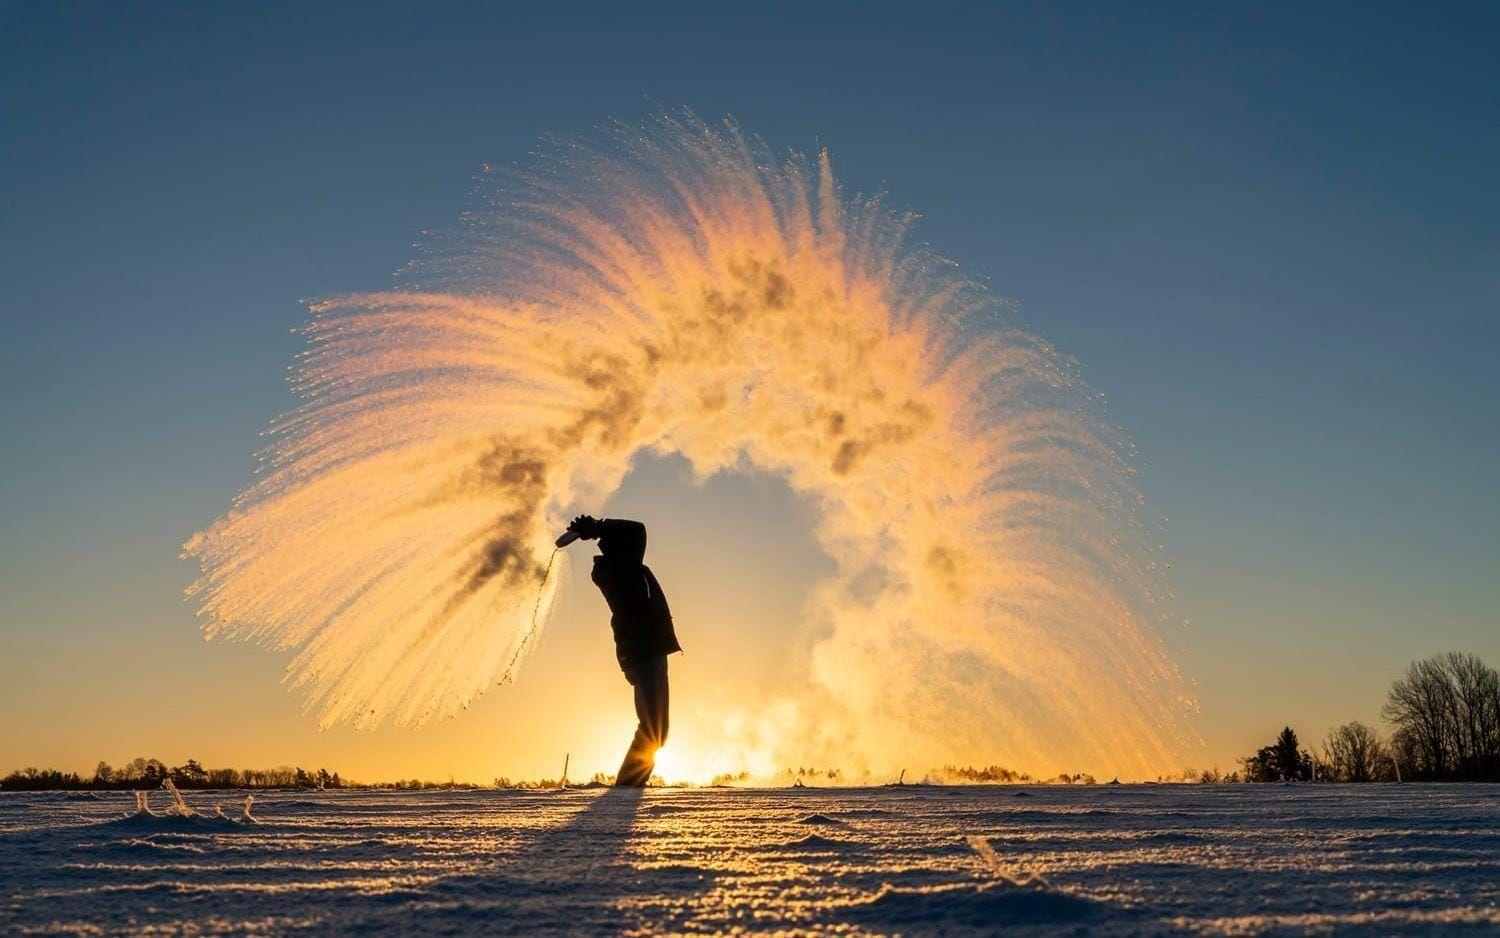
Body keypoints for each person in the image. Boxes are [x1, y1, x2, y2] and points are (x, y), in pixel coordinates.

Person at [564, 515, 681, 787]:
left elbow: (633, 533)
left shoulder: (619, 567)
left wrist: (597, 528)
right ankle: (627, 788)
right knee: (654, 729)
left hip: (644, 651)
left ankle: (628, 786)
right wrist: (600, 526)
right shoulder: (621, 568)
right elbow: (637, 529)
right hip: (644, 651)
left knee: (655, 729)